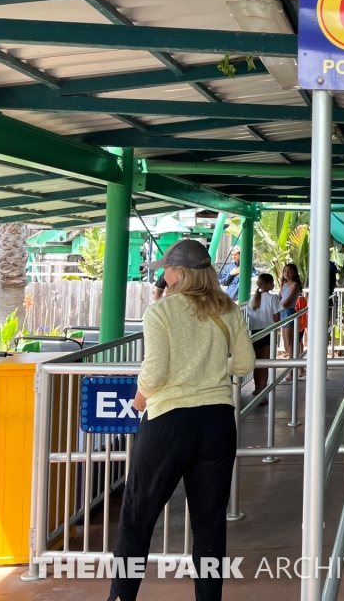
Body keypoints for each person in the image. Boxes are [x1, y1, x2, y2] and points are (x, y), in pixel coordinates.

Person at [109, 239, 254, 601]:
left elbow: (154, 373)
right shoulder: (229, 310)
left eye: (166, 269)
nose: (163, 275)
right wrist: (212, 371)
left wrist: (139, 401)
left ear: (180, 273)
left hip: (169, 423)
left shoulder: (161, 312)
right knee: (209, 524)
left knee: (138, 516)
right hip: (218, 422)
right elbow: (244, 365)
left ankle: (121, 598)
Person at [246, 273, 280, 400]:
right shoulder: (273, 298)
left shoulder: (253, 299)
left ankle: (257, 388)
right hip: (268, 331)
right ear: (268, 284)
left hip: (255, 332)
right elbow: (277, 318)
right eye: (272, 282)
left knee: (257, 362)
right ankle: (263, 391)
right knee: (265, 363)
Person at [279, 263, 302, 357]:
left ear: (295, 273)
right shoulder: (284, 284)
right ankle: (297, 367)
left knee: (290, 344)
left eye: (289, 271)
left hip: (289, 312)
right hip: (283, 312)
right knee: (286, 345)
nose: (286, 273)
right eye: (285, 271)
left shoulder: (295, 286)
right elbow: (279, 298)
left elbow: (287, 302)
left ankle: (293, 369)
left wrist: (278, 306)